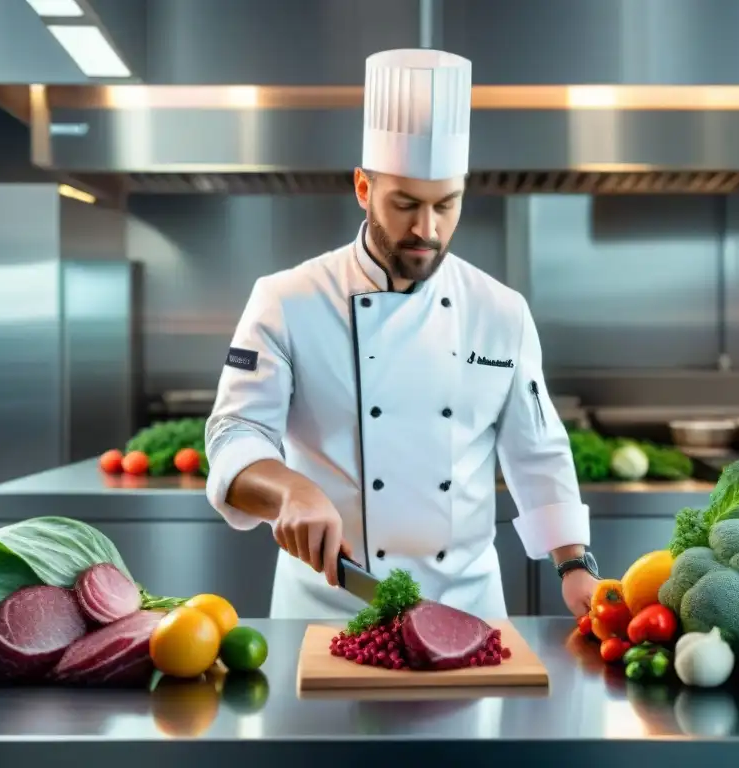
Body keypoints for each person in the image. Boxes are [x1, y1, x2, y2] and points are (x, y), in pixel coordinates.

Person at [205, 48, 598, 621]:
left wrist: (575, 566)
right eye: (405, 204)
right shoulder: (287, 300)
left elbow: (537, 452)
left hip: (467, 608)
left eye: (446, 205)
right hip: (331, 606)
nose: (427, 230)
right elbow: (234, 433)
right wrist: (289, 490)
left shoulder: (501, 311)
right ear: (363, 187)